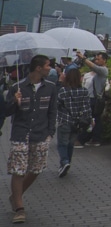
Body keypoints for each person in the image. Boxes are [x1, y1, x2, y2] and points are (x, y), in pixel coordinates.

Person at [3, 55, 57, 224]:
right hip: (21, 134)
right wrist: (15, 102)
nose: (50, 68)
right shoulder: (18, 87)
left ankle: (15, 196)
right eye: (48, 66)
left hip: (40, 134)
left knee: (36, 169)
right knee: (18, 170)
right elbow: (6, 112)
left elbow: (52, 110)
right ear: (38, 68)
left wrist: (50, 132)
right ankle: (19, 208)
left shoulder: (51, 87)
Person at [55, 65, 91, 178]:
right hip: (77, 123)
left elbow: (55, 104)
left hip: (64, 121)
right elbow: (86, 108)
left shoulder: (63, 91)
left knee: (62, 144)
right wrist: (87, 120)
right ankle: (67, 163)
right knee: (70, 144)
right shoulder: (84, 91)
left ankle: (64, 162)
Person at [74, 51, 109, 146]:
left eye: (98, 59)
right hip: (91, 98)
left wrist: (83, 57)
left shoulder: (103, 70)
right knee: (96, 120)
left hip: (95, 99)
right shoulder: (95, 73)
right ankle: (95, 139)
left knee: (87, 119)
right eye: (95, 59)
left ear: (104, 60)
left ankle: (81, 140)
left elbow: (93, 66)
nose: (96, 61)